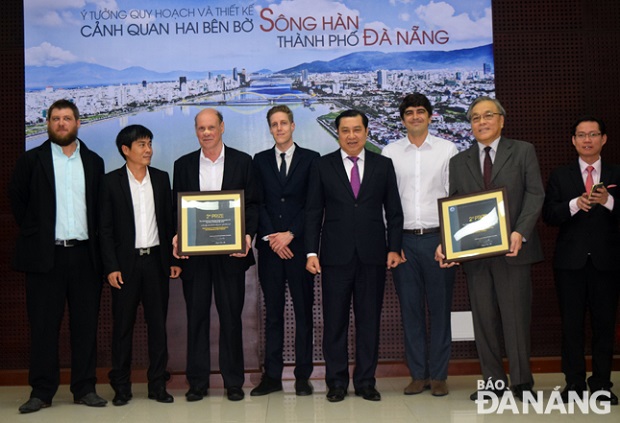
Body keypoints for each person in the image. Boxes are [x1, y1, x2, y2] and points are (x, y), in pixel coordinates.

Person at [435, 96, 545, 401]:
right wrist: (448, 244)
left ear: (501, 120)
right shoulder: (459, 161)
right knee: (483, 320)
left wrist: (520, 232)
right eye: (475, 118)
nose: (481, 122)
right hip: (476, 256)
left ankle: (522, 383)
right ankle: (494, 383)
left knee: (516, 318)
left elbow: (535, 194)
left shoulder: (522, 151)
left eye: (487, 116)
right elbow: (455, 209)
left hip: (514, 250)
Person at [9, 99, 107, 413]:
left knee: (85, 326)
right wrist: (37, 235)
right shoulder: (31, 160)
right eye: (55, 118)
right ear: (48, 123)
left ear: (78, 123)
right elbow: (18, 202)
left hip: (84, 257)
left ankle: (84, 388)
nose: (61, 123)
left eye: (67, 118)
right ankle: (41, 391)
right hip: (44, 258)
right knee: (43, 327)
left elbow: (99, 210)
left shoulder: (93, 162)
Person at [305, 109, 403, 402]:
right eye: (345, 130)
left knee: (368, 322)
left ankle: (365, 382)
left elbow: (394, 211)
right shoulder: (322, 166)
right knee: (334, 323)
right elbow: (313, 213)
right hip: (334, 257)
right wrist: (311, 251)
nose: (351, 136)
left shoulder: (383, 165)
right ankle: (336, 383)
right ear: (338, 133)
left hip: (373, 256)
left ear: (366, 132)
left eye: (356, 130)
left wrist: (394, 247)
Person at [172, 108, 258, 402]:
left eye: (211, 127)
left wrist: (246, 237)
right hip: (195, 257)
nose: (206, 133)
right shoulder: (182, 165)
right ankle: (197, 383)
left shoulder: (243, 162)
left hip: (230, 255)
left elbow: (253, 206)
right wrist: (177, 237)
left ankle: (233, 382)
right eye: (201, 128)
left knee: (231, 318)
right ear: (196, 131)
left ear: (222, 127)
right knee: (196, 318)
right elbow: (176, 209)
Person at [99, 124, 181, 406]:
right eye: (141, 145)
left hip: (156, 262)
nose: (148, 150)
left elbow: (169, 223)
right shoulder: (110, 182)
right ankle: (121, 387)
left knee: (158, 327)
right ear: (126, 150)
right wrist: (110, 266)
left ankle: (158, 384)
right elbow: (105, 230)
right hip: (125, 265)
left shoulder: (160, 178)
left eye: (149, 143)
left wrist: (172, 260)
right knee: (123, 327)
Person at [381, 93, 458, 397]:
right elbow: (385, 202)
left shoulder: (447, 149)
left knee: (440, 310)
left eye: (421, 112)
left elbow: (455, 197)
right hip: (404, 243)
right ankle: (417, 374)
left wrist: (449, 242)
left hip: (438, 240)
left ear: (430, 116)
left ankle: (438, 376)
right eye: (409, 112)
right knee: (410, 310)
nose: (415, 116)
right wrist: (392, 243)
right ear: (402, 119)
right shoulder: (389, 152)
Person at [542, 116, 620, 406]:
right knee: (571, 325)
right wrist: (575, 204)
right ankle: (573, 383)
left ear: (603, 139)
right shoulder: (560, 176)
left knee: (604, 325)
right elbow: (549, 215)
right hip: (569, 264)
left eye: (593, 134)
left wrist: (607, 202)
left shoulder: (616, 172)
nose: (587, 140)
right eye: (581, 135)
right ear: (573, 140)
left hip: (607, 263)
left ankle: (601, 384)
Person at [251, 105, 319, 396]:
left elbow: (313, 205)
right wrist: (272, 237)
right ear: (270, 128)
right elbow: (258, 203)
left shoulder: (312, 159)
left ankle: (303, 376)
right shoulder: (260, 160)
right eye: (273, 124)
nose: (279, 128)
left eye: (283, 123)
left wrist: (291, 234)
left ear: (293, 126)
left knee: (304, 313)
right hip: (270, 251)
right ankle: (272, 377)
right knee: (274, 315)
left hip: (300, 248)